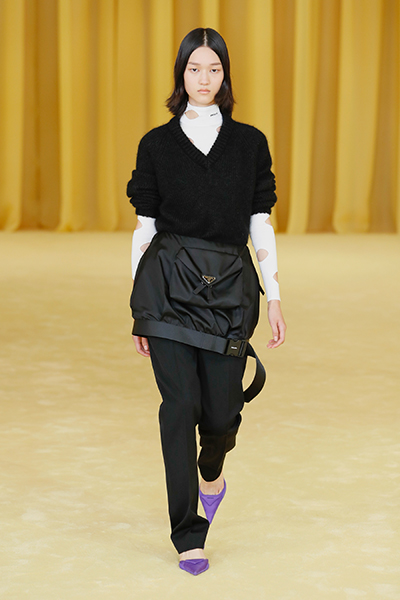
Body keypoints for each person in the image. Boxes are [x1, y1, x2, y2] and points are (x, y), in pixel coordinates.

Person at [126, 28, 286, 576]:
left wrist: (274, 296)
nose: (203, 78)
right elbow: (145, 228)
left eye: (213, 68)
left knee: (220, 414)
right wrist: (140, 307)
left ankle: (212, 468)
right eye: (194, 68)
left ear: (225, 75)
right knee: (179, 409)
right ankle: (187, 535)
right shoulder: (156, 144)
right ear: (181, 75)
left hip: (230, 291)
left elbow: (259, 222)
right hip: (168, 288)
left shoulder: (249, 144)